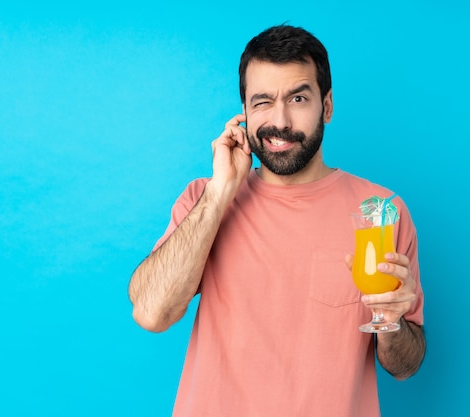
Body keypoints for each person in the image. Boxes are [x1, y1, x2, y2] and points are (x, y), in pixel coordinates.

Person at [129, 24, 425, 417]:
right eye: (263, 102)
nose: (280, 121)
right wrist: (220, 192)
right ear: (245, 114)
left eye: (298, 98)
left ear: (328, 106)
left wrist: (392, 322)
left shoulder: (381, 211)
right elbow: (151, 314)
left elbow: (405, 366)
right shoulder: (204, 198)